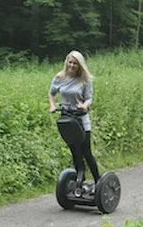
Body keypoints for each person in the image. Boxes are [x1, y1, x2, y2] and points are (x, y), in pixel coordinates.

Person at [48, 50, 100, 188]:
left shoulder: (85, 80)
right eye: (70, 62)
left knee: (86, 151)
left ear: (79, 65)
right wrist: (52, 106)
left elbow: (89, 98)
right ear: (66, 62)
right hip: (66, 118)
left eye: (75, 63)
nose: (71, 65)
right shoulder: (59, 77)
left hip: (81, 118)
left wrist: (84, 105)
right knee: (74, 151)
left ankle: (98, 181)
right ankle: (80, 177)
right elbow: (51, 93)